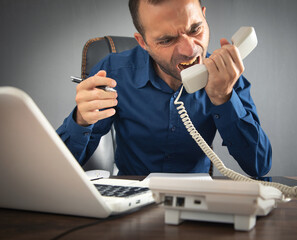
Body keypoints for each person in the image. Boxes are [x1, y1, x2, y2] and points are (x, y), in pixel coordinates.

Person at [57, 0, 272, 177]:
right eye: (167, 40)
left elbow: (259, 167)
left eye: (196, 29)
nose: (190, 50)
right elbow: (60, 169)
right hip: (132, 200)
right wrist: (80, 120)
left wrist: (224, 97)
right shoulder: (114, 71)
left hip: (198, 201)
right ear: (143, 42)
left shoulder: (226, 75)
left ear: (204, 17)